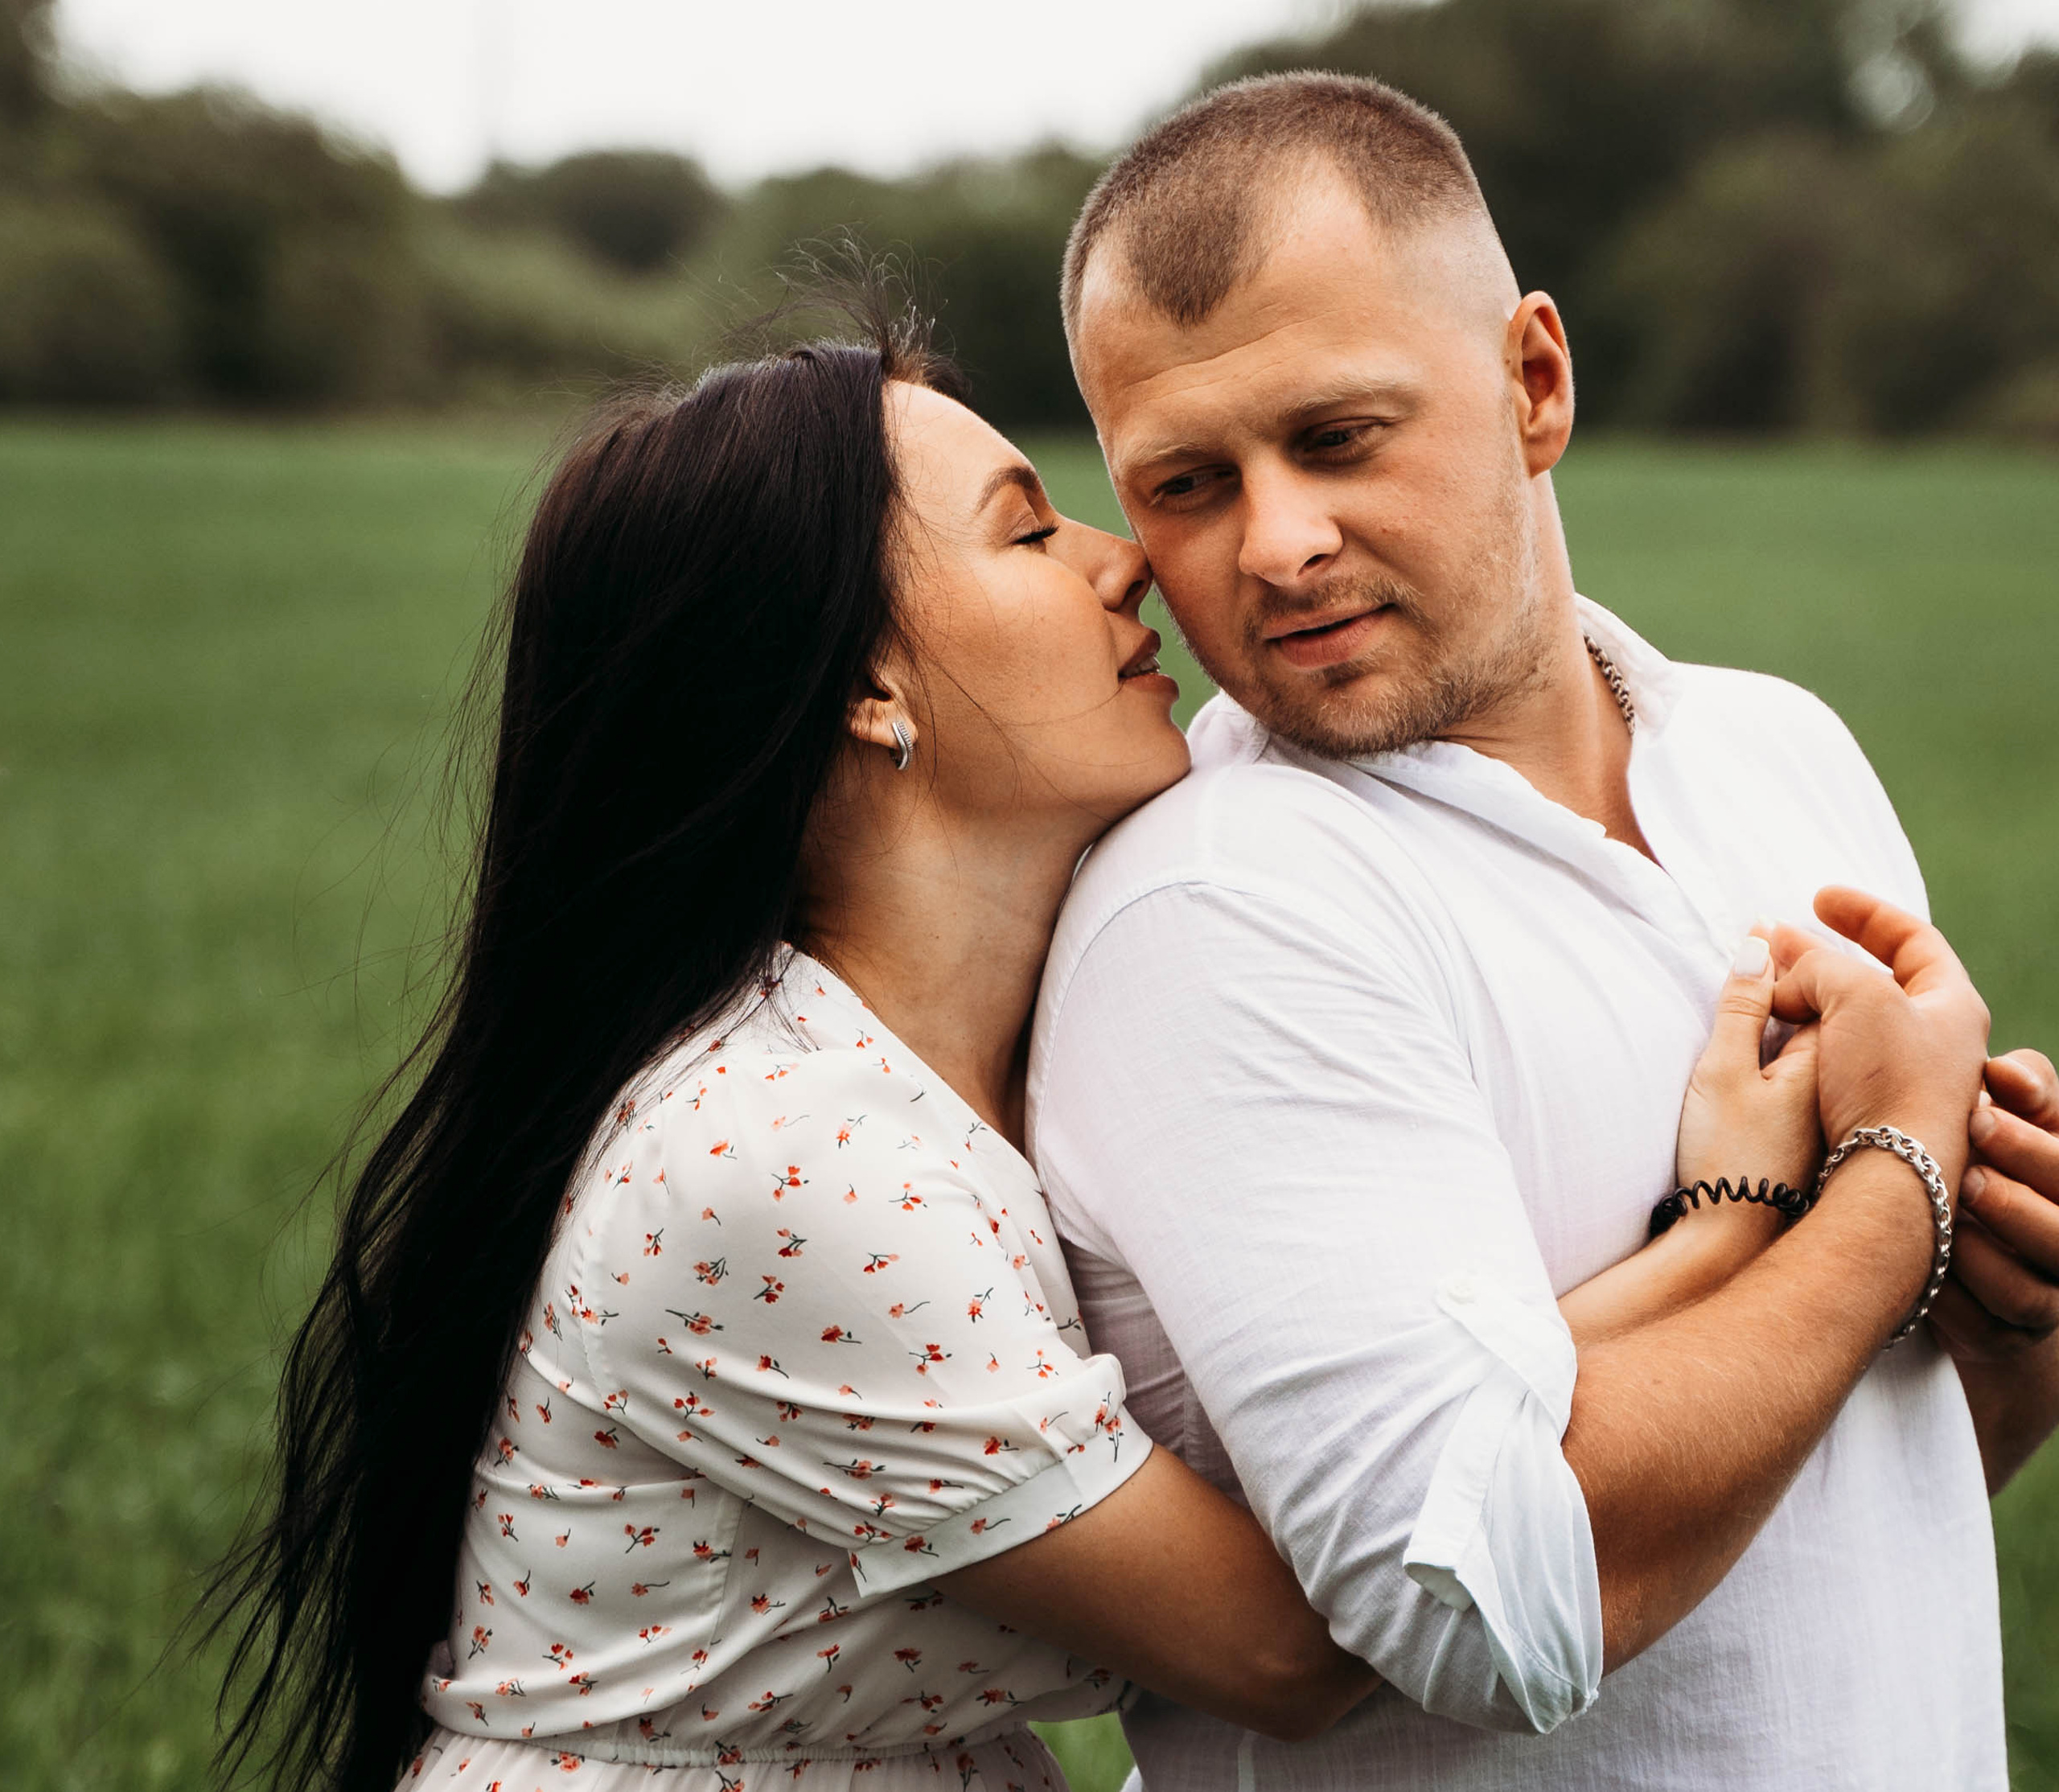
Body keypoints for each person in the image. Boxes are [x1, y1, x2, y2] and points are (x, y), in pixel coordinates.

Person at [211, 291, 1873, 1792]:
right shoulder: (788, 1161)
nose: (1120, 557)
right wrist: (1803, 1211)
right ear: (869, 677)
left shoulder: (980, 1075)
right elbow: (1304, 1632)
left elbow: (1403, 1457)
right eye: (1024, 530)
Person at [1030, 71, 2059, 1790]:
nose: (1276, 542)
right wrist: (1893, 1183)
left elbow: (1863, 1500)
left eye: (1337, 437)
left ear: (1530, 380)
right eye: (1189, 482)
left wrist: (2011, 1323)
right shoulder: (1220, 908)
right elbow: (1485, 1615)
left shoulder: (1778, 748)